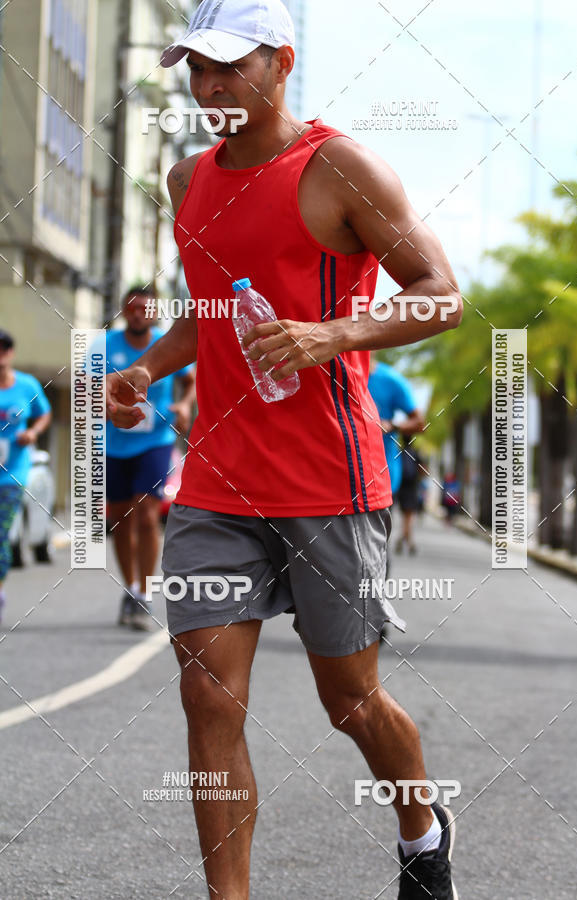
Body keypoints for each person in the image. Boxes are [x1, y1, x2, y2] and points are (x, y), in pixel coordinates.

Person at [107, 2, 463, 897]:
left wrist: (334, 334)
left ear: (282, 63)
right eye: (197, 67)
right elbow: (215, 316)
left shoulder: (339, 167)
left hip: (328, 482)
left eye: (230, 65)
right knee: (206, 696)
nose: (210, 85)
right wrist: (146, 371)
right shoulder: (189, 177)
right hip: (219, 484)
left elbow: (441, 296)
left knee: (349, 700)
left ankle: (421, 828)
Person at [106, 288, 195, 630]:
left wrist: (185, 404)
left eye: (145, 308)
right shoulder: (106, 346)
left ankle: (144, 592)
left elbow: (190, 382)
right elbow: (87, 386)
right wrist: (105, 404)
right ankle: (130, 588)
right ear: (124, 311)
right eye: (132, 308)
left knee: (145, 512)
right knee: (120, 518)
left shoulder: (166, 344)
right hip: (114, 443)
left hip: (155, 440)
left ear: (155, 312)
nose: (139, 313)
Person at [0, 330, 51, 624]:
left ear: (11, 351)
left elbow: (44, 414)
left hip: (12, 474)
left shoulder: (27, 385)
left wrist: (33, 432)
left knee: (0, 534)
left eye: (5, 347)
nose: (1, 352)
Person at [368, 356, 425, 554]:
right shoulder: (332, 372)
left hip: (381, 475)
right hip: (335, 476)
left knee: (376, 548)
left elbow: (419, 422)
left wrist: (392, 425)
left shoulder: (391, 380)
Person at [396, 437, 426, 555]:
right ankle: (409, 543)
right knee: (409, 517)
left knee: (405, 517)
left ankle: (404, 540)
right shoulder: (416, 454)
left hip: (402, 488)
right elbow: (423, 470)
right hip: (412, 488)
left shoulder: (400, 453)